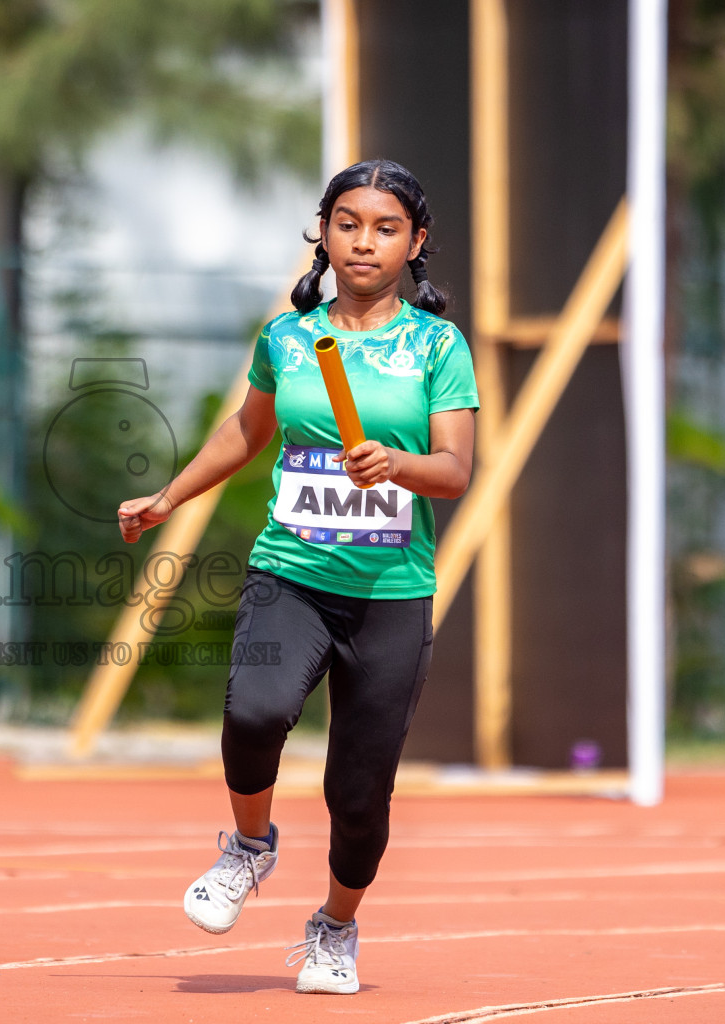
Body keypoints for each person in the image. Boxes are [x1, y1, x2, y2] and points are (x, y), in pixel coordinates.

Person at [117, 159, 479, 995]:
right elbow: (243, 435)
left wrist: (397, 462)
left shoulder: (437, 347)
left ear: (415, 243)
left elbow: (456, 472)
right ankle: (249, 846)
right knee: (255, 711)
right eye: (348, 223)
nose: (364, 242)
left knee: (359, 797)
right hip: (294, 571)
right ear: (324, 230)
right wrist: (169, 497)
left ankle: (335, 928)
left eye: (386, 228)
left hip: (390, 593)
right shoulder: (289, 337)